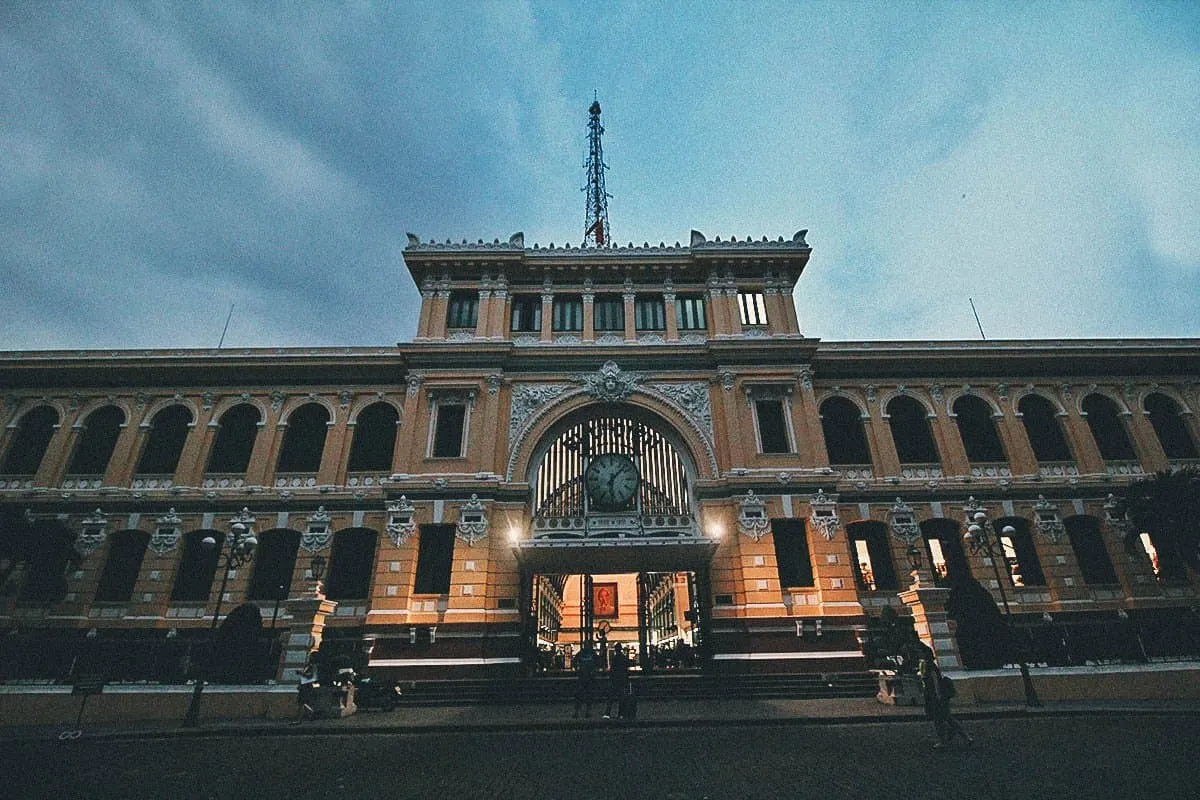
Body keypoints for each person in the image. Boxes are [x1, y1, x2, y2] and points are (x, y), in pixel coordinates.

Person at [918, 650, 973, 748]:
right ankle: (966, 737)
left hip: (935, 695)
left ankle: (943, 740)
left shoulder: (929, 666)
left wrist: (937, 694)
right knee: (947, 716)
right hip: (938, 695)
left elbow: (934, 681)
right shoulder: (931, 665)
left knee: (938, 719)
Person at [603, 644, 629, 720]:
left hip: (615, 680)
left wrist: (611, 678)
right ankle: (621, 714)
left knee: (611, 698)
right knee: (621, 698)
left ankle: (607, 713)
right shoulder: (623, 658)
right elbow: (625, 670)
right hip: (622, 680)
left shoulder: (615, 658)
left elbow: (612, 670)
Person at [573, 644, 597, 718]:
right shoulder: (592, 653)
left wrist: (577, 669)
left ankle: (578, 712)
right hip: (588, 677)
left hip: (583, 676)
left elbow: (574, 661)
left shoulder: (581, 653)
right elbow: (598, 661)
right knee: (588, 695)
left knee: (580, 695)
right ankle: (587, 712)